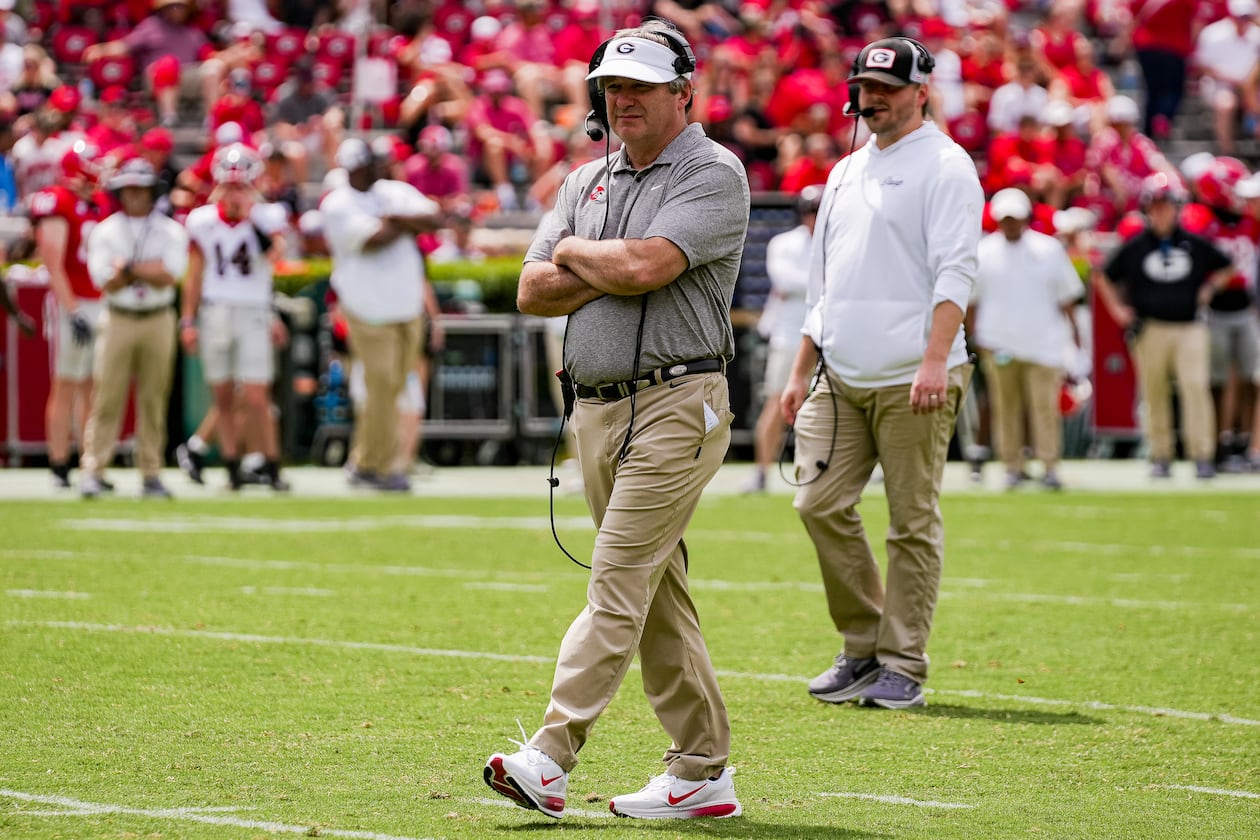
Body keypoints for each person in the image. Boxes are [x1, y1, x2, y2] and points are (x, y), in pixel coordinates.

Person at [483, 20, 748, 821]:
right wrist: (594, 262)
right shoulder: (586, 177)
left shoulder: (713, 171)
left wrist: (573, 253)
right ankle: (703, 771)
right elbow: (529, 291)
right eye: (611, 87)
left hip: (679, 400)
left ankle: (551, 755)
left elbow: (645, 267)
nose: (622, 99)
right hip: (596, 410)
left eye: (639, 85)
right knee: (655, 591)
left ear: (682, 92)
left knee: (616, 581)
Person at [782, 36, 982, 710]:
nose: (874, 99)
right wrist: (799, 367)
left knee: (911, 521)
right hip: (840, 372)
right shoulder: (843, 171)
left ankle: (902, 662)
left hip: (913, 375)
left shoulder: (947, 166)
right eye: (867, 86)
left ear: (922, 90)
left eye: (889, 89)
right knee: (816, 502)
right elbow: (824, 282)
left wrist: (934, 357)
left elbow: (957, 270)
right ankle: (864, 642)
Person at [319, 137, 443, 492]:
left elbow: (436, 218)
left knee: (392, 388)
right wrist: (405, 223)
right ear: (352, 168)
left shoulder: (394, 192)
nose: (376, 168)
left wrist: (398, 219)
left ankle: (366, 462)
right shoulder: (338, 203)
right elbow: (377, 238)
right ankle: (382, 466)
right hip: (367, 310)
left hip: (406, 308)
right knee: (382, 386)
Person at [1096, 172, 1235, 480]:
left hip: (1189, 327)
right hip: (1150, 328)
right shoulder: (1136, 246)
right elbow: (1104, 275)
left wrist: (1209, 289)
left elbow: (1227, 265)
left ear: (1177, 207)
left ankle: (1202, 455)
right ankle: (1161, 454)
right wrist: (1119, 311)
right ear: (1147, 208)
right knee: (1154, 392)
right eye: (1156, 205)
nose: (1161, 211)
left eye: (1166, 205)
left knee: (1195, 388)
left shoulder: (1194, 243)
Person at [179, 143, 291, 491]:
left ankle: (272, 466)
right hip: (215, 311)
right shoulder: (201, 221)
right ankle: (231, 466)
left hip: (253, 310)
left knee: (257, 396)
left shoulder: (268, 217)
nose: (235, 192)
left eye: (241, 185)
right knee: (223, 396)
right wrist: (187, 320)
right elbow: (194, 275)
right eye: (230, 185)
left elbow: (274, 255)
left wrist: (249, 216)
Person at [80, 158, 188, 498]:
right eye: (129, 189)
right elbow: (105, 283)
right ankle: (94, 469)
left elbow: (169, 276)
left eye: (141, 189)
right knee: (107, 395)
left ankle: (151, 471)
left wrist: (127, 268)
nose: (135, 196)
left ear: (151, 192)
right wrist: (144, 269)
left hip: (157, 317)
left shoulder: (170, 230)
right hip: (119, 317)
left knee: (154, 398)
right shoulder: (106, 230)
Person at [969, 188, 1083, 491]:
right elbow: (972, 302)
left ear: (1025, 219)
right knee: (1006, 407)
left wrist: (1075, 340)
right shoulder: (983, 251)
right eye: (1005, 219)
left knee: (1044, 408)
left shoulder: (1049, 250)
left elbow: (1067, 298)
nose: (1010, 224)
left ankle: (1049, 466)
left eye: (1015, 218)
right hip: (999, 344)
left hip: (1044, 343)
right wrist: (974, 339)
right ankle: (1012, 466)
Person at [30, 145, 110, 488]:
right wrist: (72, 309)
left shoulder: (98, 202)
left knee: (93, 386)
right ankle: (59, 462)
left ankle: (88, 462)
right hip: (72, 302)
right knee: (66, 383)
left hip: (98, 299)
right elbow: (52, 260)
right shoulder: (56, 199)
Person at [746, 185, 821, 493]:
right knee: (776, 403)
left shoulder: (840, 240)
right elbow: (784, 279)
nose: (813, 218)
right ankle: (762, 473)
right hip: (789, 335)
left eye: (817, 211)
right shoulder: (784, 243)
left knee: (838, 405)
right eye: (809, 211)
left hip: (828, 333)